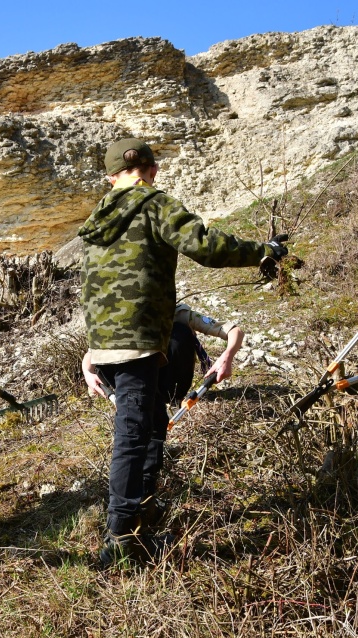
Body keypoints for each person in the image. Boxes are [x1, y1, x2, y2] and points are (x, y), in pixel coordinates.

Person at [77, 137, 287, 567]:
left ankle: (142, 513)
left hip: (105, 342)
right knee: (133, 436)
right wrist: (263, 252)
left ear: (110, 177)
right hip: (136, 341)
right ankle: (121, 542)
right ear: (151, 170)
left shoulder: (96, 221)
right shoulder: (154, 203)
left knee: (152, 423)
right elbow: (206, 246)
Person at [83, 305, 245, 530]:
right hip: (135, 383)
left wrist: (227, 356)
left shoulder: (176, 312)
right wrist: (88, 374)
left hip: (170, 382)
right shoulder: (122, 316)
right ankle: (130, 517)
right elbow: (90, 357)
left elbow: (234, 331)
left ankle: (139, 505)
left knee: (179, 333)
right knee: (143, 428)